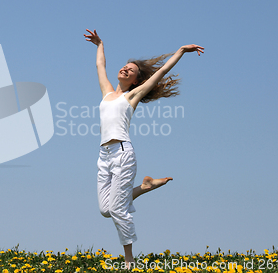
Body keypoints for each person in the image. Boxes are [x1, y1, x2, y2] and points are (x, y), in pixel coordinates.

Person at [84, 29, 204, 268]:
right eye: (125, 66)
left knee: (117, 209)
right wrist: (100, 44)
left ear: (136, 81)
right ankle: (145, 187)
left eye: (131, 70)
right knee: (104, 210)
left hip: (122, 153)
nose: (125, 69)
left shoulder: (132, 96)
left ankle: (129, 261)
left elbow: (160, 72)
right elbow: (100, 66)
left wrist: (180, 50)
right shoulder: (107, 92)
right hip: (103, 155)